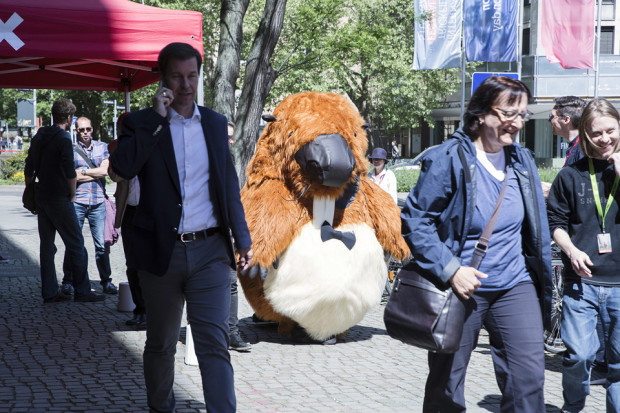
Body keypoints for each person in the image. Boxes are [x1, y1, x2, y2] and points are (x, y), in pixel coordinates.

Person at [109, 42, 253, 413]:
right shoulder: (141, 123)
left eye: (192, 75)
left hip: (210, 252)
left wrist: (243, 238)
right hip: (161, 252)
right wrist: (158, 120)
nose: (186, 84)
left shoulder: (216, 124)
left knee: (213, 344)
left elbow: (227, 186)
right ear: (163, 78)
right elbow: (122, 169)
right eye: (178, 76)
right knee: (161, 343)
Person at [401, 75, 552, 412]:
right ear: (482, 114)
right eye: (508, 114)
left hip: (514, 284)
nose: (517, 123)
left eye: (523, 115)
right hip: (459, 290)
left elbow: (536, 224)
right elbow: (415, 221)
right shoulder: (449, 158)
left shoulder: (521, 160)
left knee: (528, 379)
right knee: (447, 386)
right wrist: (452, 270)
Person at [547, 97, 620, 413]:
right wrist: (571, 249)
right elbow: (555, 223)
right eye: (596, 133)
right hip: (582, 282)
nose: (604, 139)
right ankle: (573, 406)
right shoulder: (571, 175)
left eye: (610, 131)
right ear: (586, 133)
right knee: (580, 355)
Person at [24, 98, 104, 303]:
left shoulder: (40, 135)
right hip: (59, 196)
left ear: (53, 115)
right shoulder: (63, 138)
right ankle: (83, 291)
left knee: (47, 246)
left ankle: (49, 292)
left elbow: (29, 166)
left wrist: (30, 189)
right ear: (69, 118)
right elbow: (70, 171)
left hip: (42, 195)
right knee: (76, 243)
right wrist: (71, 193)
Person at [60, 116, 117, 296]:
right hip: (77, 202)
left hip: (98, 201)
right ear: (75, 131)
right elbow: (70, 176)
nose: (85, 133)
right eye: (81, 130)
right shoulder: (69, 149)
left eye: (88, 129)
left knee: (101, 246)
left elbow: (105, 171)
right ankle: (68, 281)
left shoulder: (103, 147)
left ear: (92, 129)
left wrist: (82, 172)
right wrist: (95, 173)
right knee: (73, 244)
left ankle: (106, 281)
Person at [109, 113, 146, 329]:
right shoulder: (120, 150)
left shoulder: (149, 147)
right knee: (132, 265)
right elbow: (115, 176)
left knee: (147, 265)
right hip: (130, 211)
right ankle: (140, 309)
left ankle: (152, 311)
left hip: (150, 211)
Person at [226, 120, 252, 352]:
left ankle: (232, 332)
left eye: (232, 137)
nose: (232, 141)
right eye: (227, 137)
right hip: (199, 236)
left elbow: (234, 203)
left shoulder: (229, 161)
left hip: (223, 234)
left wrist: (241, 240)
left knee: (231, 283)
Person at [541, 96, 587, 198]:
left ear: (566, 120)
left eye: (552, 116)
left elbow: (582, 192)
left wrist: (551, 191)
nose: (549, 121)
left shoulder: (583, 149)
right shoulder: (576, 146)